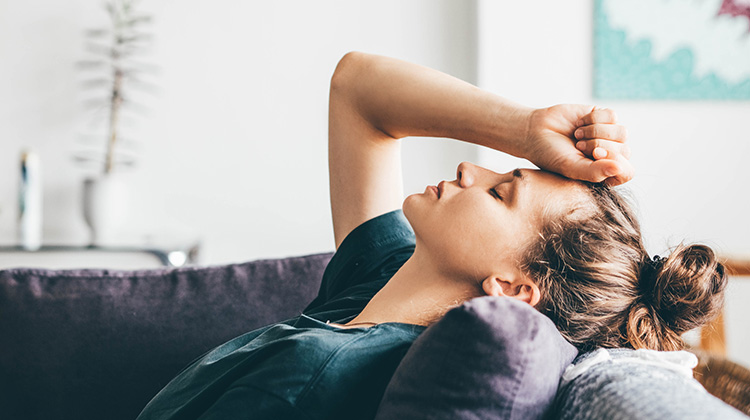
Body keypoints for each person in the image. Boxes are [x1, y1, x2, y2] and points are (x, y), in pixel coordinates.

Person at [136, 52, 726, 420]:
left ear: (514, 288)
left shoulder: (316, 372)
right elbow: (358, 88)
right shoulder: (382, 277)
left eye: (501, 192)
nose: (473, 170)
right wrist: (525, 130)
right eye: (503, 169)